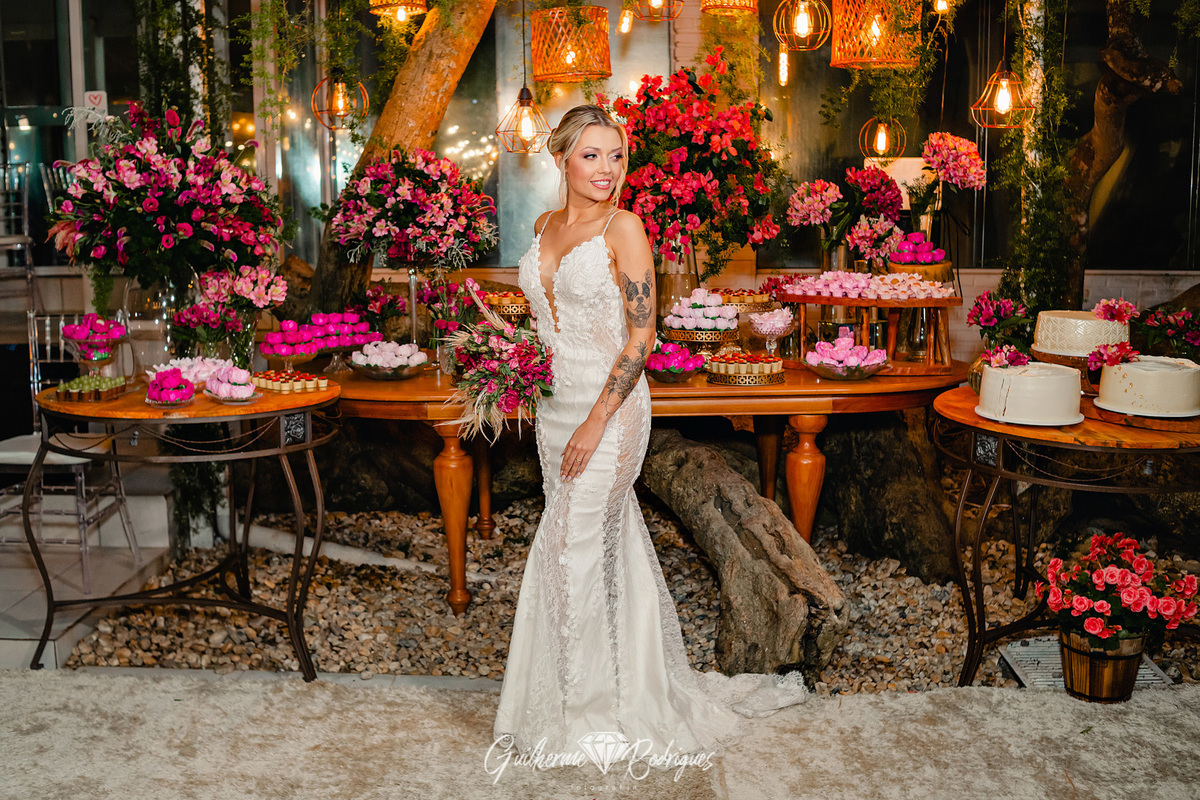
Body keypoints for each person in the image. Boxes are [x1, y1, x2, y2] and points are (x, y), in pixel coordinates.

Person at [494, 104, 806, 760]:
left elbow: (640, 338)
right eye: (591, 155)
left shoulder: (625, 228)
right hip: (552, 409)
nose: (607, 169)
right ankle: (604, 686)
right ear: (561, 158)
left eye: (615, 156)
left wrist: (595, 420)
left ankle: (588, 718)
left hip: (609, 411)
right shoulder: (543, 224)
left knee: (569, 543)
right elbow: (543, 321)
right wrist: (508, 368)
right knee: (591, 544)